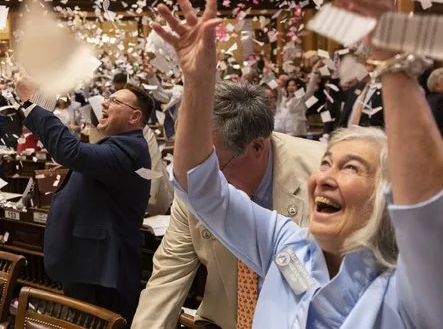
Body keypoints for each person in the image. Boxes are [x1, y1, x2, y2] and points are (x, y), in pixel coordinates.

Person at [150, 0, 443, 329]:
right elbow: (201, 188)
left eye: (351, 167)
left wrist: (394, 62)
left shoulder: (416, 291)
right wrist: (197, 83)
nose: (323, 178)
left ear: (387, 196)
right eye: (327, 162)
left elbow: (428, 215)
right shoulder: (288, 243)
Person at [133, 82, 324, 328]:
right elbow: (167, 279)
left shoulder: (323, 177)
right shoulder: (193, 181)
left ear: (257, 146)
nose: (197, 181)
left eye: (212, 168)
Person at [14, 78, 154, 325]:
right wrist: (39, 99)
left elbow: (72, 152)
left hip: (102, 271)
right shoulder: (118, 143)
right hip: (89, 265)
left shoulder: (130, 149)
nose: (105, 104)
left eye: (115, 101)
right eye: (107, 98)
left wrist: (33, 103)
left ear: (134, 117)